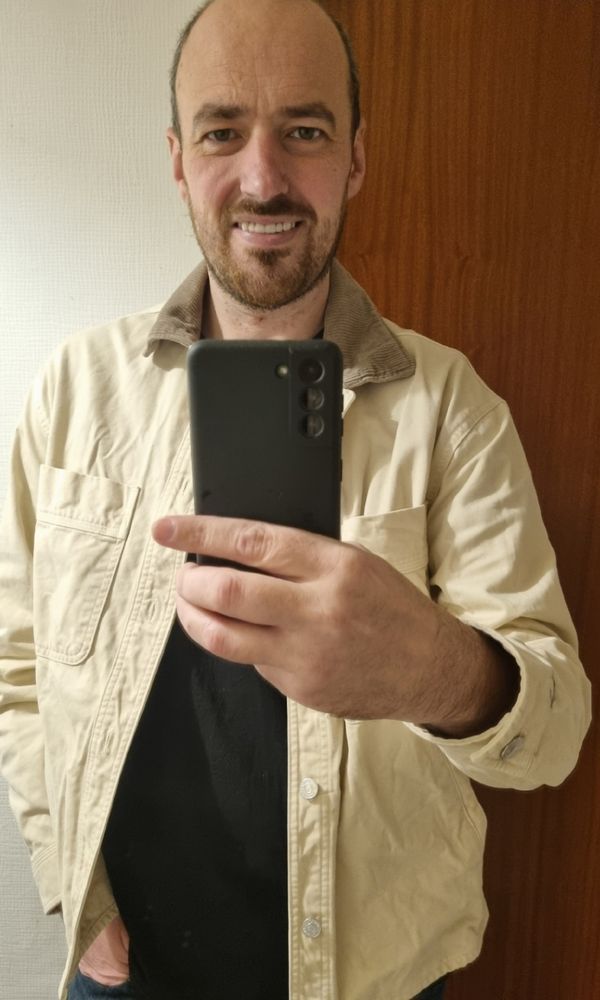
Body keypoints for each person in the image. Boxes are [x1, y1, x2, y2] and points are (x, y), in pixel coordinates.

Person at [0, 0, 591, 998]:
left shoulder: (454, 411)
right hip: (123, 974)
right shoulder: (73, 390)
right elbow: (15, 663)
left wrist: (434, 669)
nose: (263, 178)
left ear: (355, 157)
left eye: (305, 131)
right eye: (223, 132)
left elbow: (558, 730)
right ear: (178, 159)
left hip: (371, 976)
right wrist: (71, 882)